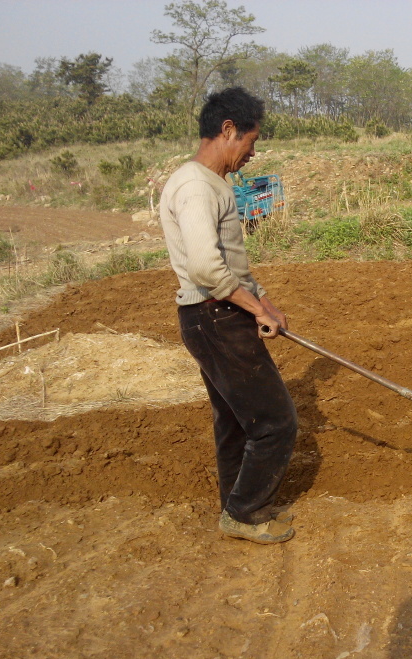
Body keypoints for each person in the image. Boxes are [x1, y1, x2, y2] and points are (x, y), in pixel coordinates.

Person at [159, 87, 297, 545]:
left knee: (236, 420)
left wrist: (264, 301)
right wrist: (255, 307)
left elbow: (229, 262)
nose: (252, 154)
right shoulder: (197, 185)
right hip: (215, 316)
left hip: (214, 314)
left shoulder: (208, 183)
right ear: (228, 130)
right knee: (275, 423)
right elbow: (204, 266)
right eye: (251, 143)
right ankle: (244, 511)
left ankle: (234, 504)